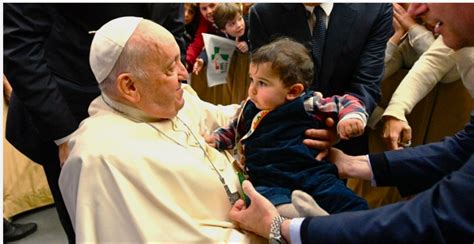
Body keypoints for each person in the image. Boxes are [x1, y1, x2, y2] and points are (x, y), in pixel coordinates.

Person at [229, 3, 474, 243]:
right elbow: (462, 148)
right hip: (306, 161)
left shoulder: (375, 9)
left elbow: (437, 216)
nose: (414, 9)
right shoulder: (263, 13)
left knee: (347, 205)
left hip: (326, 164)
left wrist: (281, 228)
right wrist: (351, 164)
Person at [58, 16, 265, 242]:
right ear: (130, 86)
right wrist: (265, 233)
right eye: (169, 68)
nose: (183, 74)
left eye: (179, 60)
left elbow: (223, 117)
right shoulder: (101, 160)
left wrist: (289, 108)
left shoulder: (173, 97)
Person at [3, 4, 185, 242]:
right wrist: (65, 136)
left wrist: (175, 82)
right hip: (72, 114)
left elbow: (172, 22)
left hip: (152, 115)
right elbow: (20, 45)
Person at [206, 38, 368, 216]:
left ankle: (342, 221)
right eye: (252, 80)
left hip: (312, 174)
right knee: (263, 202)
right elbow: (233, 130)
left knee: (350, 203)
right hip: (269, 180)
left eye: (262, 83)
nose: (251, 89)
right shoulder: (250, 108)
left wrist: (350, 118)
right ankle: (308, 218)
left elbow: (346, 101)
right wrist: (216, 139)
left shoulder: (308, 104)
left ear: (293, 91)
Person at [249, 3, 393, 155]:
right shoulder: (264, 12)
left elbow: (366, 83)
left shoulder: (375, 8)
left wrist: (341, 124)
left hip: (343, 141)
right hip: (279, 140)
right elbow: (262, 80)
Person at [193, 3, 249, 75]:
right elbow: (211, 46)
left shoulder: (251, 26)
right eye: (232, 24)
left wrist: (249, 44)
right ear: (223, 30)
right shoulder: (220, 34)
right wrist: (202, 59)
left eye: (240, 19)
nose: (239, 25)